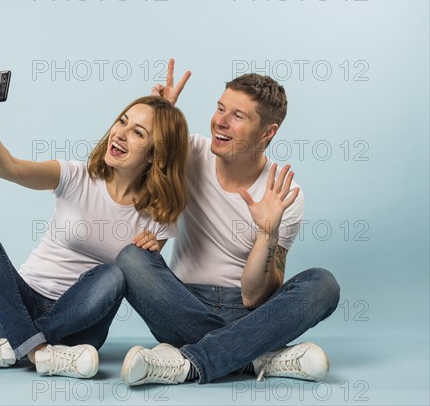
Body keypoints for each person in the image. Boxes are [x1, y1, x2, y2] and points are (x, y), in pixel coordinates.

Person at [0, 68, 189, 379]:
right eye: (122, 121)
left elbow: (143, 278)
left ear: (154, 155)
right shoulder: (75, 176)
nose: (120, 133)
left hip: (81, 327)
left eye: (138, 133)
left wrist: (149, 253)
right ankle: (38, 352)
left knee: (118, 271)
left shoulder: (158, 212)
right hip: (17, 306)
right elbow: (6, 167)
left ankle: (14, 347)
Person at [116, 60, 340, 385]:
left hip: (247, 312)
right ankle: (256, 355)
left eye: (237, 116)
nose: (220, 122)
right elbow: (130, 161)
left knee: (324, 284)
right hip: (179, 303)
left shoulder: (284, 195)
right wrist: (160, 114)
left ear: (268, 132)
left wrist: (268, 232)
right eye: (220, 108)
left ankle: (189, 363)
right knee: (131, 259)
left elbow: (254, 298)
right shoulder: (191, 152)